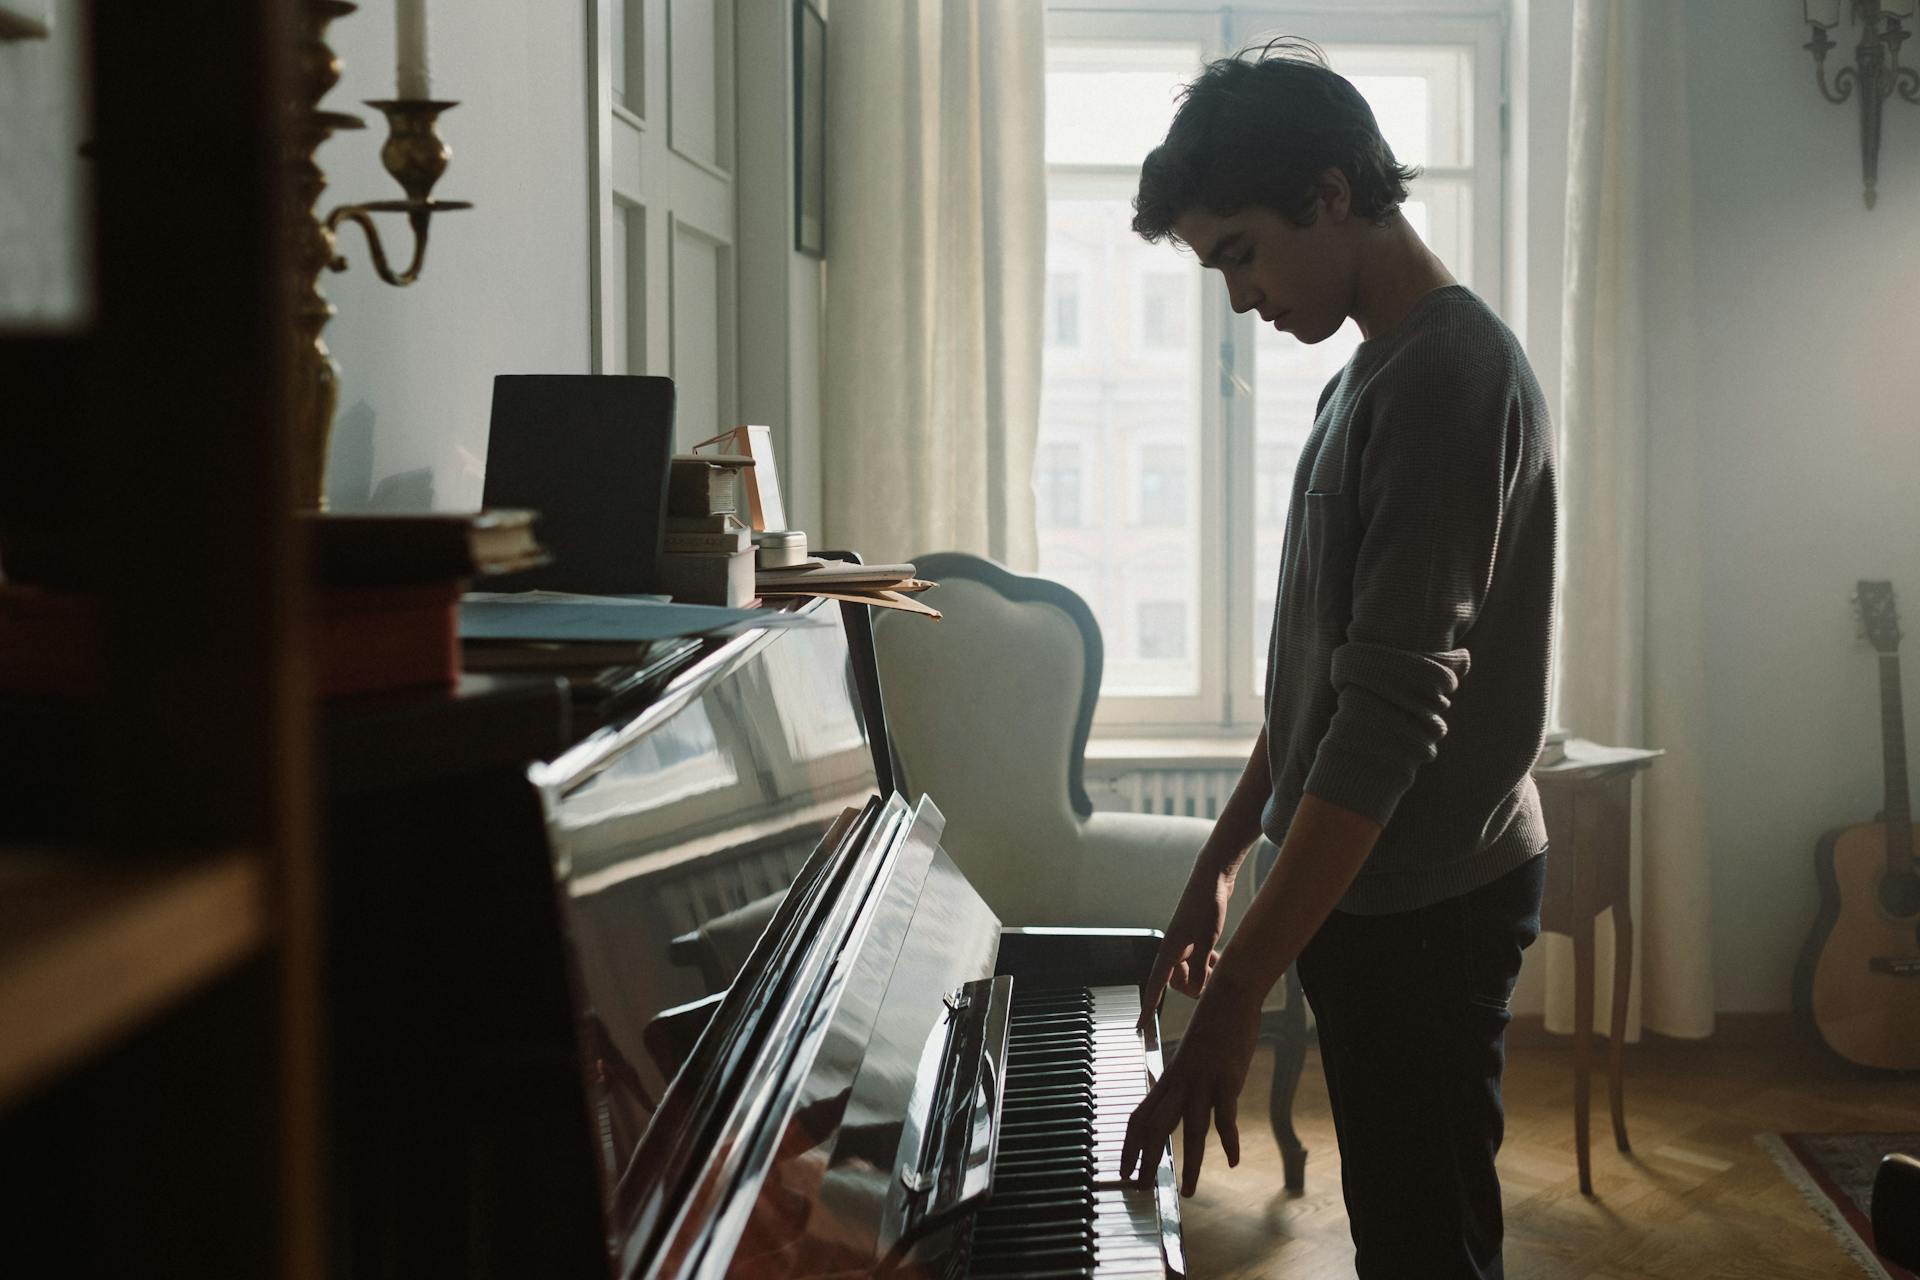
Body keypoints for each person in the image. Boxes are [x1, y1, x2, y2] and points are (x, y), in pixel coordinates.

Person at [1115, 39, 1558, 1280]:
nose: (1240, 296)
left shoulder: (1448, 374)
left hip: (1432, 896)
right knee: (1401, 1230)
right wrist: (1218, 860)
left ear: (1328, 194)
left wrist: (1239, 988)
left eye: (1240, 252)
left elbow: (1385, 715)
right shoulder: (1363, 381)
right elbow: (1323, 680)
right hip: (1380, 884)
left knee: (1424, 1243)